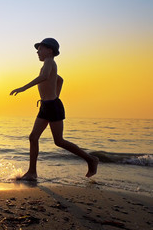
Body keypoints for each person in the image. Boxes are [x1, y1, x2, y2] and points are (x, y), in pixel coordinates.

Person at [10, 38, 98, 181]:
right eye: (37, 50)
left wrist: (23, 88)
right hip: (47, 106)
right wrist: (54, 95)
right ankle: (32, 172)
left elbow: (44, 77)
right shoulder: (48, 63)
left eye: (40, 49)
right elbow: (60, 80)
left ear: (49, 50)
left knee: (59, 141)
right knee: (33, 137)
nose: (37, 52)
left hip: (52, 106)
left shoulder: (49, 61)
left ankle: (91, 159)